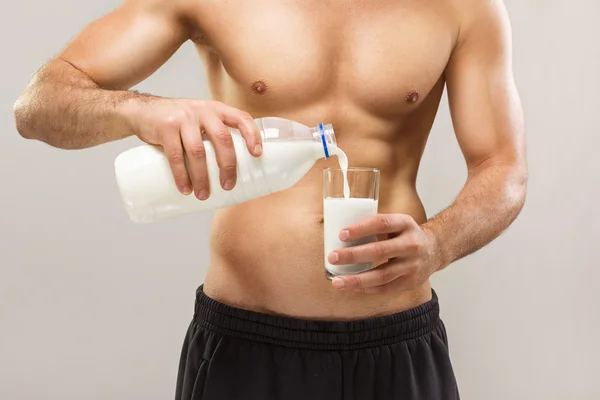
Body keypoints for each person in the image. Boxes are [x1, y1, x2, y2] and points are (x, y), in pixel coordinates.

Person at [13, 0, 527, 398]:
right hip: (246, 347)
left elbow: (503, 169)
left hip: (395, 344)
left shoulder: (461, 6)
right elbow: (37, 105)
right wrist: (137, 110)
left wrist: (436, 245)